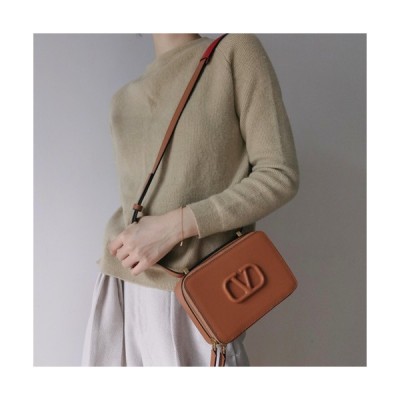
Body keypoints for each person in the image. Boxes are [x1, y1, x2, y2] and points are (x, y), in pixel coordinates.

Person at [81, 33, 300, 367]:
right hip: (121, 286)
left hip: (194, 292)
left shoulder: (234, 51)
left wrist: (175, 226)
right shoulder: (122, 100)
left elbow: (279, 174)